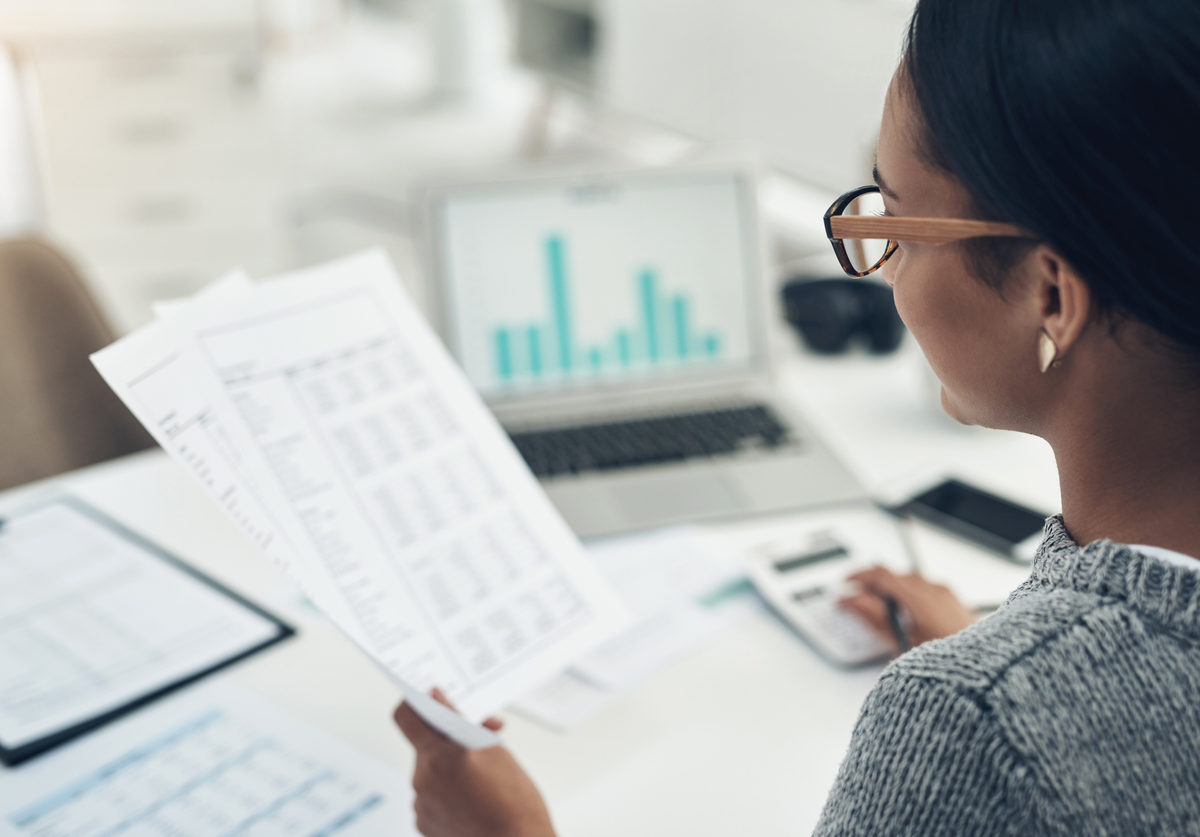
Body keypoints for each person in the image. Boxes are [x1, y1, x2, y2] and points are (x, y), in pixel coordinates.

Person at [393, 0, 1200, 832]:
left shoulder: (967, 722)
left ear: (1050, 295)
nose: (883, 273)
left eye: (898, 224)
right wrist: (1023, 663)